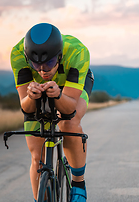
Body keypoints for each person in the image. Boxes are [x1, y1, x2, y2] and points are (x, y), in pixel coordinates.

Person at [10, 23, 94, 202]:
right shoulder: (17, 54)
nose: (42, 70)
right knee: (37, 156)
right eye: (36, 65)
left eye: (49, 63)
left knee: (68, 123)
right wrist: (31, 97)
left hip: (71, 86)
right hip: (37, 90)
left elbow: (69, 107)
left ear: (60, 55)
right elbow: (26, 107)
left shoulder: (77, 52)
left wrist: (58, 95)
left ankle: (78, 183)